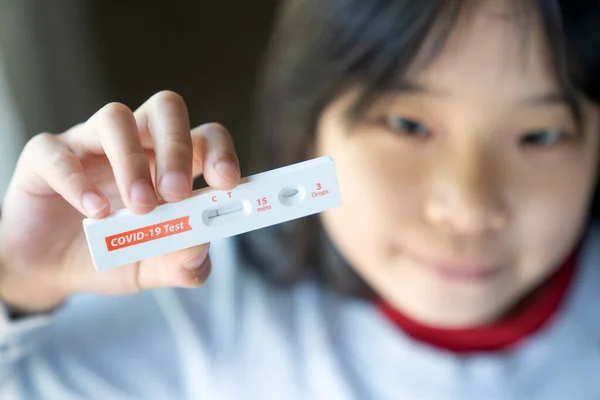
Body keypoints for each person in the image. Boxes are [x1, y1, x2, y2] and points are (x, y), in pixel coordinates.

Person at [1, 0, 600, 398]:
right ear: (307, 125)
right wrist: (18, 282)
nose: (469, 205)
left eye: (540, 135)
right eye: (408, 126)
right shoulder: (197, 308)